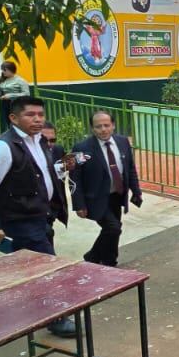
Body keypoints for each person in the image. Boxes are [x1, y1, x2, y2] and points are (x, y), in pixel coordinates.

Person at [0, 96, 77, 337]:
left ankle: (35, 309)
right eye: (30, 115)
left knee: (34, 269)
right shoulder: (3, 148)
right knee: (48, 269)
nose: (37, 119)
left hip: (43, 215)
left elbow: (37, 173)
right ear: (13, 118)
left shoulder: (39, 142)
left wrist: (62, 169)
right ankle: (55, 318)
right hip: (22, 221)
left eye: (40, 114)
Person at [71, 110, 142, 267]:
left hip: (117, 195)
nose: (103, 129)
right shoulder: (82, 148)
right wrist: (79, 204)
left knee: (113, 229)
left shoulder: (123, 142)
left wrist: (136, 191)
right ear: (92, 128)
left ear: (113, 125)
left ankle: (109, 260)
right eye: (98, 126)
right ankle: (92, 256)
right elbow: (75, 178)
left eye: (106, 125)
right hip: (96, 198)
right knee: (113, 228)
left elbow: (130, 168)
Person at [0, 61, 30, 127]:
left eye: (5, 70)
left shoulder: (20, 80)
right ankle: (12, 135)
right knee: (8, 122)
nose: (3, 72)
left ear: (11, 69)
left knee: (17, 122)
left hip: (17, 104)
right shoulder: (3, 80)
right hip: (5, 103)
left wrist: (10, 95)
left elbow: (27, 93)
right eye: (2, 70)